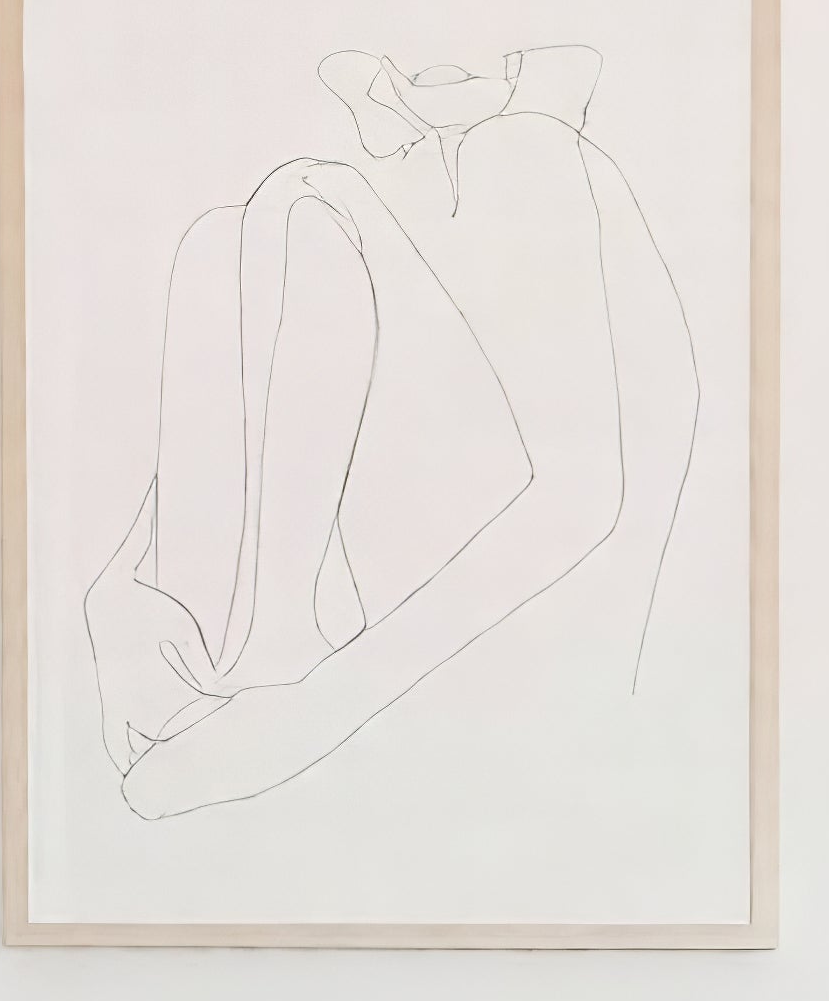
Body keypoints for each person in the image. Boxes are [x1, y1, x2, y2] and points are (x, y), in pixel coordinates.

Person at [86, 42, 698, 817]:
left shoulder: (526, 151)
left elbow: (580, 497)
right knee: (237, 226)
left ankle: (272, 648)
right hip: (395, 617)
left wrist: (303, 721)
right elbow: (259, 383)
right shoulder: (437, 184)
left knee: (298, 200)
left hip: (517, 655)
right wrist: (117, 597)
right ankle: (243, 646)